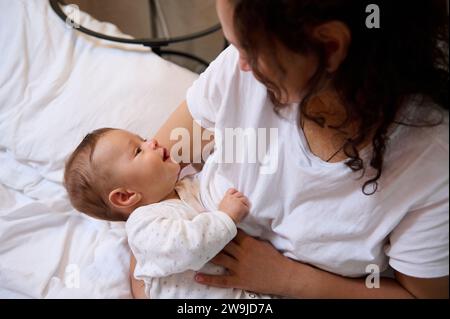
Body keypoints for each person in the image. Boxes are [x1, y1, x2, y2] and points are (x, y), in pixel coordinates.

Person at [153, 0, 449, 298]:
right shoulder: (238, 71)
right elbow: (143, 172)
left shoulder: (431, 163)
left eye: (249, 49)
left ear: (330, 46)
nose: (239, 62)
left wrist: (288, 278)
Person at [63, 128, 270, 299]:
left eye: (143, 139)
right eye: (138, 151)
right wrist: (226, 217)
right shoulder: (142, 225)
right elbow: (188, 247)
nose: (151, 142)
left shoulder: (186, 187)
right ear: (126, 196)